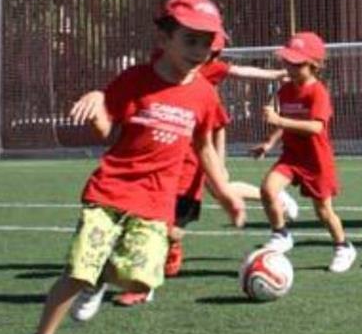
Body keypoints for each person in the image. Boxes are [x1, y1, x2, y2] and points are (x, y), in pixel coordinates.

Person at [18, 0, 245, 334]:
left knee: (139, 276)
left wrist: (225, 192)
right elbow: (106, 130)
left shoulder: (205, 94)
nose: (199, 50)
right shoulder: (135, 80)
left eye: (207, 43)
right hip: (111, 189)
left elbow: (204, 146)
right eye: (190, 40)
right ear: (164, 40)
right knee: (78, 269)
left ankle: (100, 281)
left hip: (157, 201)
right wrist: (98, 104)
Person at [69, 37, 295, 305]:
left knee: (180, 223)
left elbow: (218, 124)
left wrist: (219, 160)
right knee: (146, 223)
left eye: (208, 49)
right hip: (157, 165)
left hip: (190, 164)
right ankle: (142, 281)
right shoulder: (158, 72)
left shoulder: (204, 82)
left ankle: (273, 200)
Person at [250, 32, 355, 273]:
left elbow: (316, 127)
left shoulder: (317, 92)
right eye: (287, 61)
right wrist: (268, 143)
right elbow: (283, 123)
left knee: (324, 211)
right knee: (267, 189)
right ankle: (281, 234)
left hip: (316, 159)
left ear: (314, 65)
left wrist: (279, 119)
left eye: (297, 64)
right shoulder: (285, 90)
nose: (290, 67)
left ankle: (343, 246)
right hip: (291, 156)